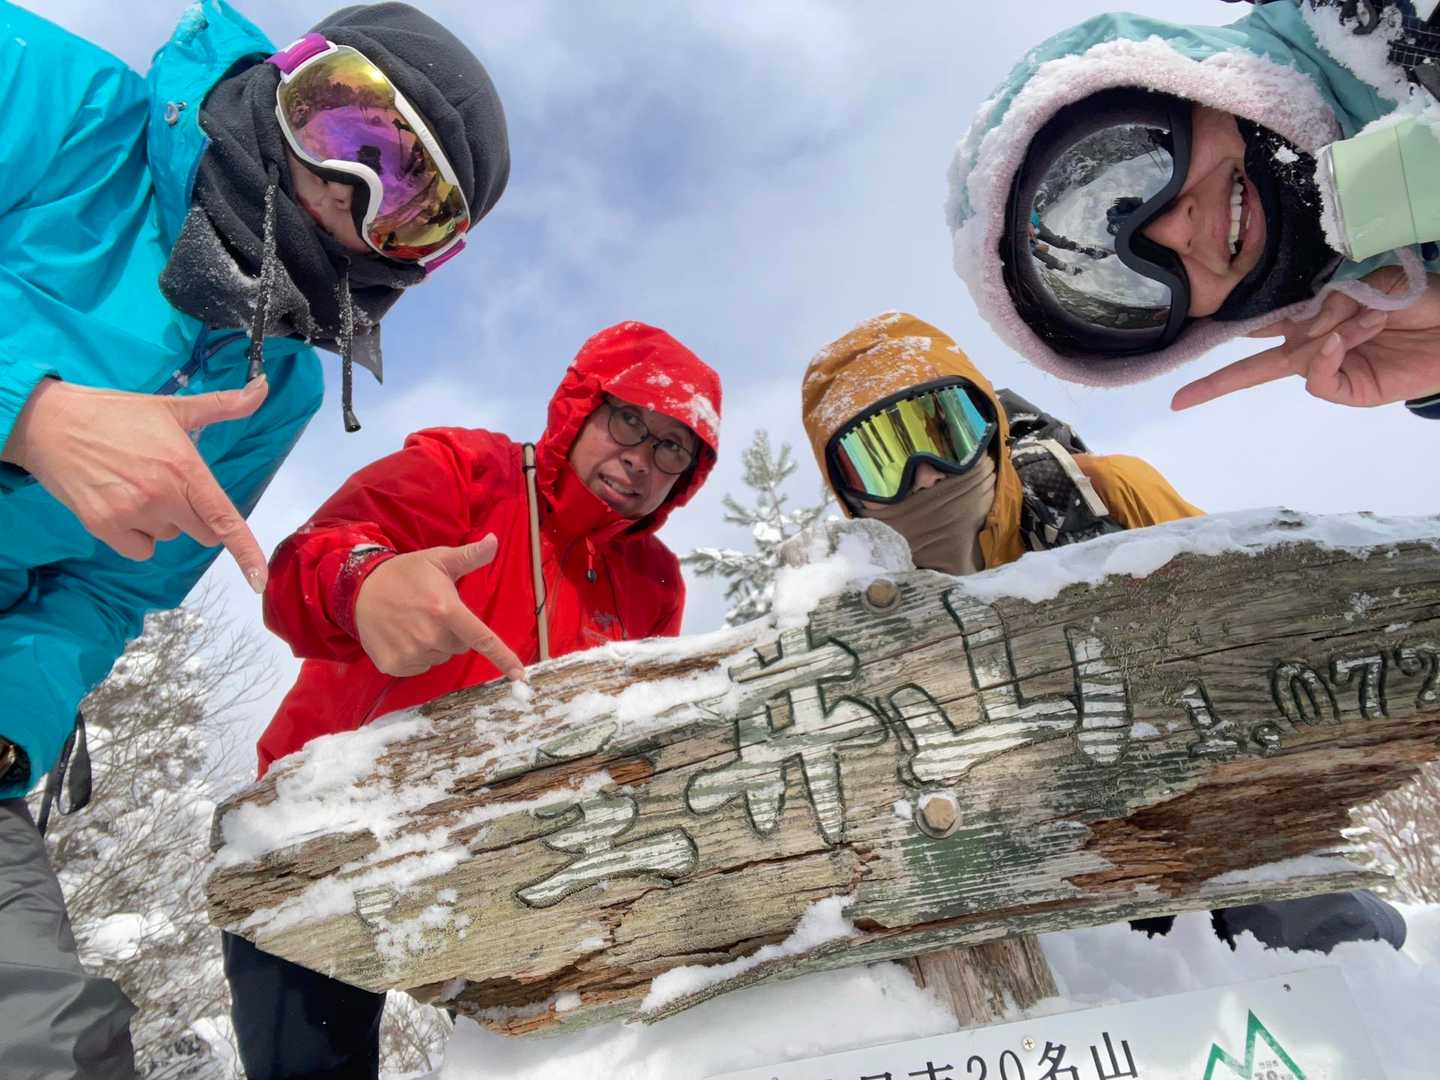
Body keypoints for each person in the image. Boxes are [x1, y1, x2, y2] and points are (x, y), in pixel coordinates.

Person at [0, 1, 508, 1074]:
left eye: (407, 202)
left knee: (48, 1050)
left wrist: (12, 719)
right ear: (286, 81)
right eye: (348, 128)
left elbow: (108, 589)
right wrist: (27, 413)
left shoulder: (272, 387)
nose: (350, 190)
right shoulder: (44, 93)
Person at [801, 311, 1407, 956]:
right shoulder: (872, 614)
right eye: (881, 460)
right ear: (847, 491)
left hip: (1199, 811)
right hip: (1025, 873)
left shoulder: (1104, 496)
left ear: (988, 425)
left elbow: (1256, 624)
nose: (926, 474)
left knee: (1331, 941)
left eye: (942, 432)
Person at [225, 320, 722, 1079]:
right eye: (628, 419)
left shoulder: (654, 580)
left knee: (558, 1060)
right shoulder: (467, 473)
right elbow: (308, 561)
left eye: (671, 448)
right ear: (581, 407)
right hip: (323, 835)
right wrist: (364, 583)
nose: (640, 457)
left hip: (512, 855)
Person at [946, 0, 1440, 418]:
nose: (1171, 233)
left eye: (1138, 163)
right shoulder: (1414, 323)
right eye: (1129, 289)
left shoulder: (1392, 18)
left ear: (1170, 85)